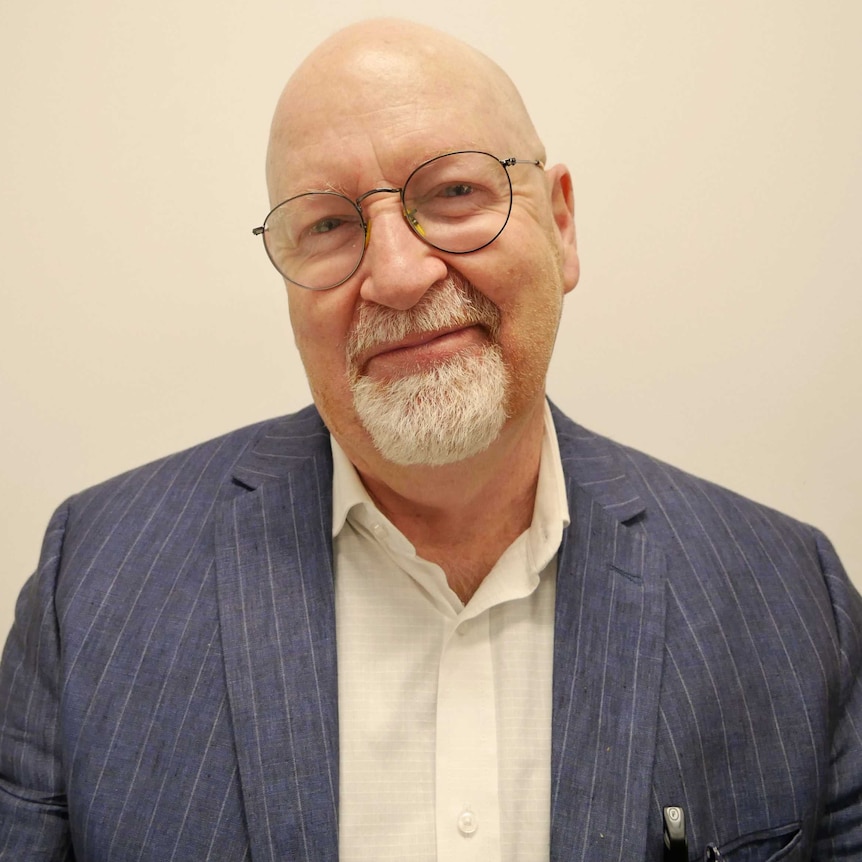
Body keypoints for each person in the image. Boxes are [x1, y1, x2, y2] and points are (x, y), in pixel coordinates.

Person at [0, 17, 860, 862]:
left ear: (560, 224)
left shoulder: (791, 598)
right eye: (330, 224)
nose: (400, 275)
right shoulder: (96, 582)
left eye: (453, 193)